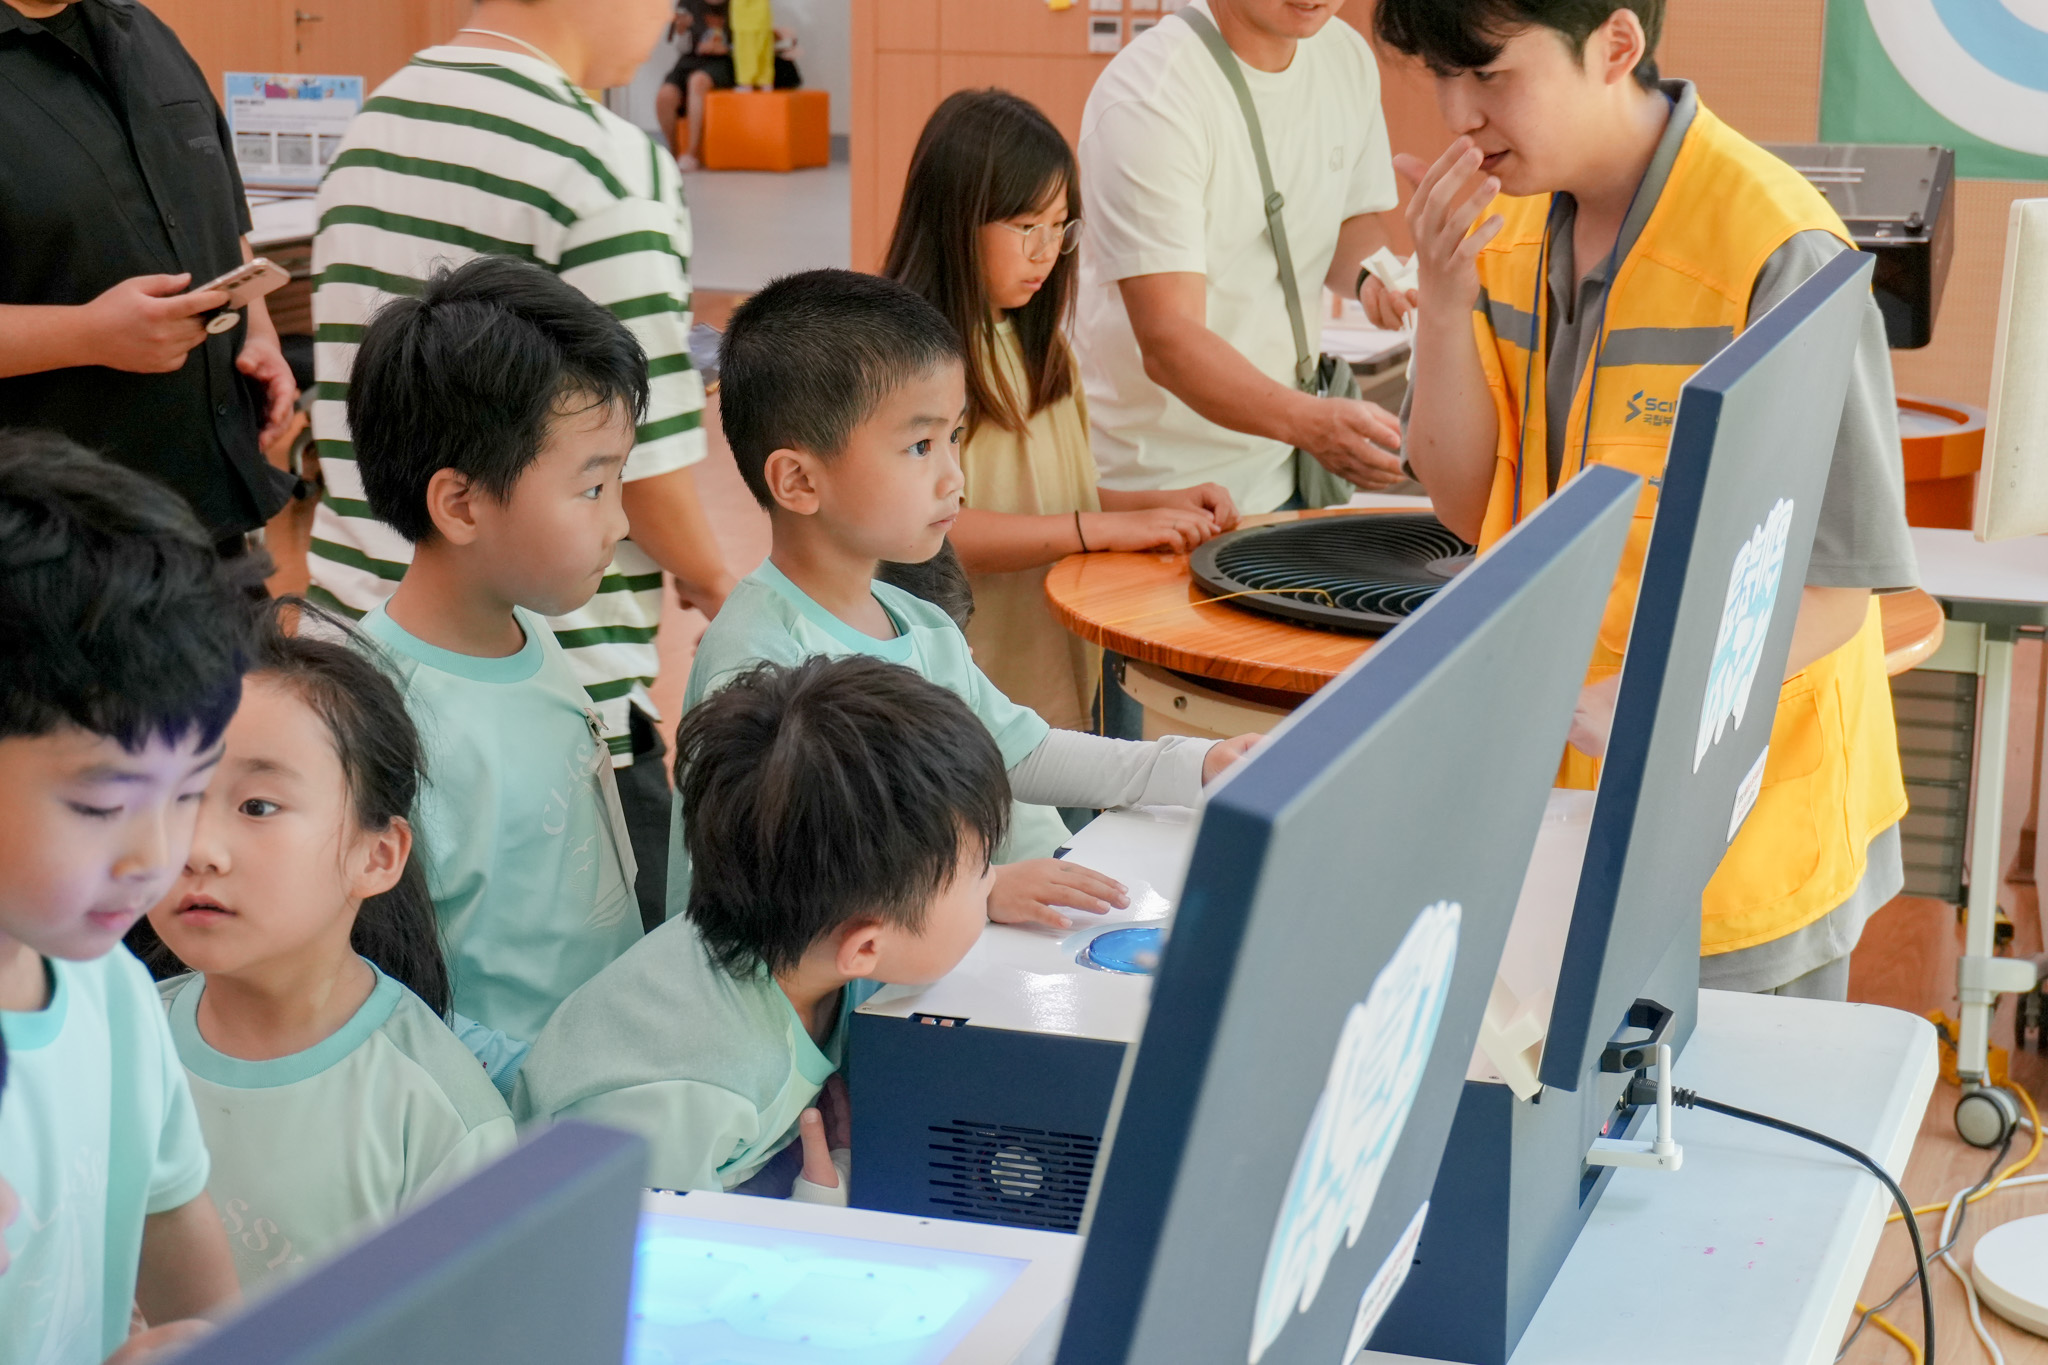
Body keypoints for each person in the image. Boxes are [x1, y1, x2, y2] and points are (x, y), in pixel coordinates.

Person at [1370, 0, 1914, 999]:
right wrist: (1442, 299)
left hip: (1741, 833)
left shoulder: (1777, 244)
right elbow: (1465, 501)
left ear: (1616, 46)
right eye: (1440, 76)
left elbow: (1837, 586)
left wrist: (1659, 690)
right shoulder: (1500, 222)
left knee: (1719, 1099)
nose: (1457, 115)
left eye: (1488, 75)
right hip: (1553, 812)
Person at [308, 0, 734, 936]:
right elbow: (646, 460)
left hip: (351, 645)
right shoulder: (601, 162)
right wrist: (722, 585)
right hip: (542, 671)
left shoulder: (378, 122)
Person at [686, 269, 1258, 930]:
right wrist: (979, 890)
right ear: (798, 481)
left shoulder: (921, 625)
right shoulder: (756, 659)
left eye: (954, 438)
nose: (953, 476)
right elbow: (787, 881)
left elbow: (1020, 752)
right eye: (919, 446)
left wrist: (1196, 763)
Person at [516, 655, 1009, 1200]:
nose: (993, 882)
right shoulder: (692, 1085)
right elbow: (647, 1245)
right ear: (865, 948)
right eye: (983, 869)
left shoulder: (797, 936)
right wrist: (817, 1205)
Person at [144, 611, 517, 1293]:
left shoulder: (439, 1115)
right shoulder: (118, 1043)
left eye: (257, 806)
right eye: (174, 798)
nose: (198, 849)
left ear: (376, 855)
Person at [344, 256, 647, 1044]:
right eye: (592, 487)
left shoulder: (528, 629)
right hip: (509, 1103)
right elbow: (381, 990)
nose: (620, 523)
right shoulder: (379, 716)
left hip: (612, 1061)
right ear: (461, 503)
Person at [884, 89, 1240, 733]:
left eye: (1061, 228)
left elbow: (1051, 495)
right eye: (1027, 227)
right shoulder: (908, 362)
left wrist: (1154, 508)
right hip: (968, 699)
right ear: (955, 218)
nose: (1047, 251)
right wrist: (1093, 529)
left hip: (1058, 682)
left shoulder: (1044, 351)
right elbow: (933, 532)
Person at [0, 432, 245, 1365]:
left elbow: (198, 1286)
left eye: (190, 792)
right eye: (103, 804)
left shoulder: (114, 997)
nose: (156, 856)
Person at [1075, 0, 1406, 517]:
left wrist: (1374, 278)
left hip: (1286, 464)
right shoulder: (1151, 95)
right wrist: (1312, 424)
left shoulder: (1345, 56)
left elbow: (1347, 220)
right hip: (1159, 488)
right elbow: (1169, 339)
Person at [0, 0, 299, 554]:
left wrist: (257, 332)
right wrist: (86, 334)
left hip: (210, 522)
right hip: (57, 546)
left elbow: (220, 212)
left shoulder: (145, 31)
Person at [657, 0, 803, 170]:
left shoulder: (738, 4)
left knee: (698, 81)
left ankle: (692, 154)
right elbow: (679, 43)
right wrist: (685, 34)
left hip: (724, 63)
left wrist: (725, 49)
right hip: (690, 60)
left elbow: (749, 43)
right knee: (665, 96)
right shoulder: (688, 3)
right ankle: (674, 153)